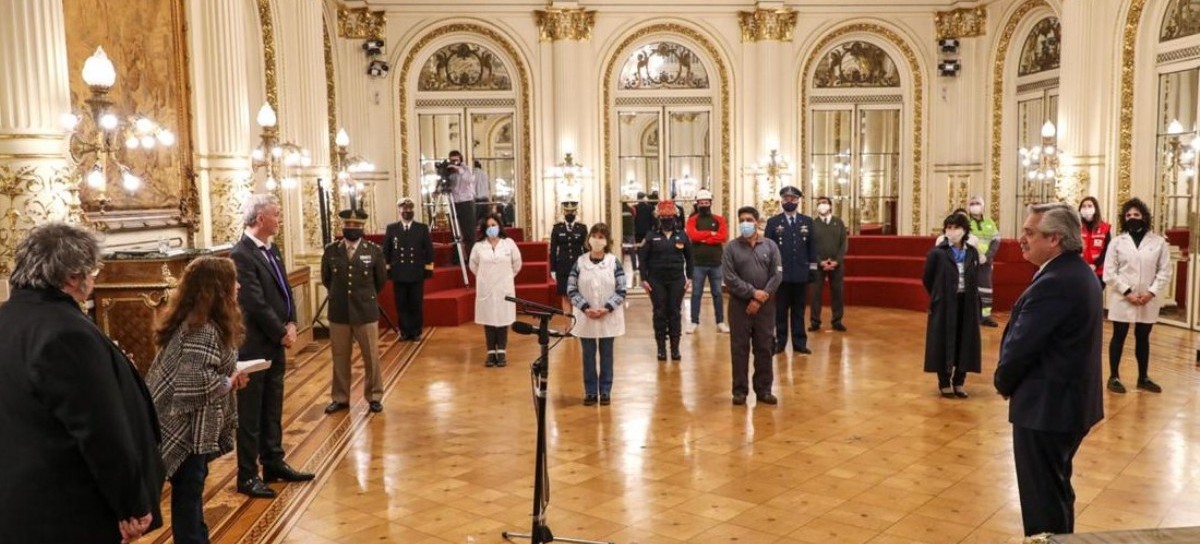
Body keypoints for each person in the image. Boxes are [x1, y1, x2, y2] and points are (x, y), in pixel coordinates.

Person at [0, 222, 163, 543]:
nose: (93, 279)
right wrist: (131, 504)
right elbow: (101, 430)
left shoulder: (6, 320)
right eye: (93, 270)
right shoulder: (66, 332)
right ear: (72, 277)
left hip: (17, 505)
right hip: (66, 510)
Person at [995, 203, 1104, 537]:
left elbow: (1023, 346)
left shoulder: (1055, 282)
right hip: (1066, 404)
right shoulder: (1076, 272)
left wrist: (1003, 382)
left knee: (1042, 500)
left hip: (1046, 409)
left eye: (1030, 233)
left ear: (1055, 238)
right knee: (1055, 490)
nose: (1022, 240)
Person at [146, 256, 250, 544]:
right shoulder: (202, 330)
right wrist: (230, 382)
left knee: (191, 492)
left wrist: (229, 379)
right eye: (233, 282)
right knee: (188, 494)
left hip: (190, 421)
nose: (238, 286)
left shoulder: (200, 321)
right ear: (217, 288)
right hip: (184, 425)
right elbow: (194, 383)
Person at [231, 194, 314, 499]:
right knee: (250, 414)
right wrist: (281, 332)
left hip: (276, 341)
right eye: (276, 215)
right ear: (261, 218)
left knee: (272, 407)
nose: (280, 219)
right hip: (254, 345)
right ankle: (247, 475)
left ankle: (273, 462)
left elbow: (285, 290)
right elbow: (253, 301)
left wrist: (292, 322)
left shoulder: (272, 249)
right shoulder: (241, 254)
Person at [321, 208, 388, 414]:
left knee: (371, 356)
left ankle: (374, 396)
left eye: (357, 226)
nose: (352, 229)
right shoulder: (332, 250)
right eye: (349, 225)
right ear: (343, 227)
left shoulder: (373, 251)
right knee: (340, 356)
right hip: (339, 311)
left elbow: (380, 281)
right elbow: (327, 279)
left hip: (366, 311)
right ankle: (340, 398)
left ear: (363, 228)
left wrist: (364, 297)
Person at [1103, 198, 1171, 394]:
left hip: (1148, 298)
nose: (1132, 218)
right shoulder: (1117, 242)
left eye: (1136, 215)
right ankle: (1114, 377)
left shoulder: (1158, 242)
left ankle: (1143, 377)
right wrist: (1127, 292)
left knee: (1143, 337)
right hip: (1122, 297)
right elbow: (1109, 272)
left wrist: (1151, 292)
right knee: (1119, 335)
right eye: (1128, 215)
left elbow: (1164, 271)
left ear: (1144, 217)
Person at [723, 206, 783, 406]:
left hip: (765, 307)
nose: (745, 223)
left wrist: (759, 298)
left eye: (749, 219)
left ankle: (764, 389)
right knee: (739, 349)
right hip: (739, 307)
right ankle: (739, 391)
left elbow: (777, 275)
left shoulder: (771, 246)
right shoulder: (731, 248)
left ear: (757, 222)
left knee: (765, 348)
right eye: (742, 220)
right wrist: (751, 293)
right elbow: (729, 278)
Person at [923, 213, 982, 398]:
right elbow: (928, 278)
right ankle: (944, 382)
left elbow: (975, 274)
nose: (952, 231)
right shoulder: (938, 253)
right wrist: (940, 294)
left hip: (967, 302)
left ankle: (959, 381)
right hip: (946, 303)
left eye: (955, 227)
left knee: (965, 341)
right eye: (948, 227)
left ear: (964, 230)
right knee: (944, 340)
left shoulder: (971, 252)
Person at [567, 223, 627, 406]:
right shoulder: (580, 262)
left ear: (607, 241)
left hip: (608, 316)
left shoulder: (613, 262)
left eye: (601, 237)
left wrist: (607, 308)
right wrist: (585, 307)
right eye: (595, 236)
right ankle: (591, 391)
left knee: (607, 355)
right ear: (589, 239)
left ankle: (606, 390)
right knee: (588, 355)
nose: (597, 240)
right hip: (586, 316)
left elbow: (622, 289)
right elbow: (571, 289)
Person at [765, 185, 818, 355]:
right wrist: (770, 273)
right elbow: (768, 249)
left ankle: (799, 343)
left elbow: (812, 247)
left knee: (799, 310)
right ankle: (780, 343)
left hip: (801, 274)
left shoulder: (807, 222)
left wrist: (812, 269)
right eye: (786, 199)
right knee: (780, 311)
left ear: (798, 201)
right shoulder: (773, 222)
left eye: (793, 199)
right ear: (781, 200)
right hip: (780, 276)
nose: (789, 201)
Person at [639, 200, 694, 361]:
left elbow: (690, 259)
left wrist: (689, 277)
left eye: (670, 216)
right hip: (656, 280)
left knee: (675, 312)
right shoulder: (650, 236)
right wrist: (644, 279)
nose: (667, 219)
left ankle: (675, 349)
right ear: (658, 217)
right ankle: (661, 348)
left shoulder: (682, 235)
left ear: (675, 217)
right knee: (659, 312)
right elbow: (643, 259)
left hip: (677, 280)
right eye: (664, 216)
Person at [470, 213, 522, 367]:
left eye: (494, 225)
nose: (491, 228)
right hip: (486, 287)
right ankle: (491, 352)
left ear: (499, 226)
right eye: (488, 226)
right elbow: (473, 265)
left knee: (502, 319)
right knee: (489, 319)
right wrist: (484, 277)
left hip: (504, 286)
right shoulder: (479, 246)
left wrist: (507, 277)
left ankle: (502, 352)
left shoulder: (509, 243)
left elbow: (517, 263)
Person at [384, 197, 435, 342]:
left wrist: (428, 269)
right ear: (399, 211)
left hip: (416, 272)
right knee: (401, 304)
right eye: (404, 209)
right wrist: (388, 269)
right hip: (398, 272)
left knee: (415, 303)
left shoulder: (421, 228)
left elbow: (429, 250)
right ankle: (404, 331)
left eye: (409, 209)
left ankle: (416, 331)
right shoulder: (392, 228)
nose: (407, 212)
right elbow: (386, 250)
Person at [685, 189, 729, 334]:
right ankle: (694, 322)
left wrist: (704, 239)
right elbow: (693, 235)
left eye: (706, 202)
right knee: (696, 294)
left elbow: (723, 237)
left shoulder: (719, 219)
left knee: (717, 293)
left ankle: (720, 322)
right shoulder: (692, 220)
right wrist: (711, 234)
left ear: (710, 203)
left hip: (716, 263)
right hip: (698, 263)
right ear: (697, 203)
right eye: (701, 202)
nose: (704, 204)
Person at [809, 195, 848, 332]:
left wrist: (837, 260)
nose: (821, 205)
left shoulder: (839, 223)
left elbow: (844, 243)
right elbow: (810, 245)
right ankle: (815, 321)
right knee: (815, 294)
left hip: (837, 265)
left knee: (838, 292)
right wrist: (820, 262)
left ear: (830, 206)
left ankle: (837, 320)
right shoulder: (812, 224)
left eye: (824, 203)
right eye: (819, 203)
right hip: (818, 265)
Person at [966, 196, 1001, 327]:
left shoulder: (990, 222)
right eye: (972, 203)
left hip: (985, 261)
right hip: (969, 260)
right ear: (968, 207)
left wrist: (987, 256)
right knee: (968, 287)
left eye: (978, 203)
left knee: (986, 288)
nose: (975, 206)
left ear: (983, 206)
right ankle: (970, 315)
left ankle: (985, 316)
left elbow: (996, 240)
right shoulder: (965, 222)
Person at [550, 200, 588, 310]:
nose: (569, 214)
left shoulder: (582, 228)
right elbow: (553, 250)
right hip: (562, 268)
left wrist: (587, 265)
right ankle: (568, 325)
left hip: (578, 267)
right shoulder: (557, 228)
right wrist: (553, 269)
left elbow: (585, 249)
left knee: (577, 296)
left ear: (576, 212)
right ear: (563, 212)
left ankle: (576, 325)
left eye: (572, 212)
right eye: (567, 212)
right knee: (565, 297)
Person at [445, 150, 476, 264]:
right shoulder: (449, 171)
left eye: (456, 160)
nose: (454, 162)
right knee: (455, 232)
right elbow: (445, 185)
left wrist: (458, 169)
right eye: (452, 160)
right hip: (453, 202)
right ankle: (457, 259)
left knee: (468, 233)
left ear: (460, 159)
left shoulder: (465, 169)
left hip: (466, 202)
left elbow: (469, 180)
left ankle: (472, 258)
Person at [1079, 196, 1111, 285]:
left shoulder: (1105, 227)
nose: (1086, 209)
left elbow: (1107, 250)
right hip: (1080, 270)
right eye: (1084, 206)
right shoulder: (1076, 227)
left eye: (1089, 206)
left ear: (1095, 208)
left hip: (1099, 272)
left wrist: (1095, 265)